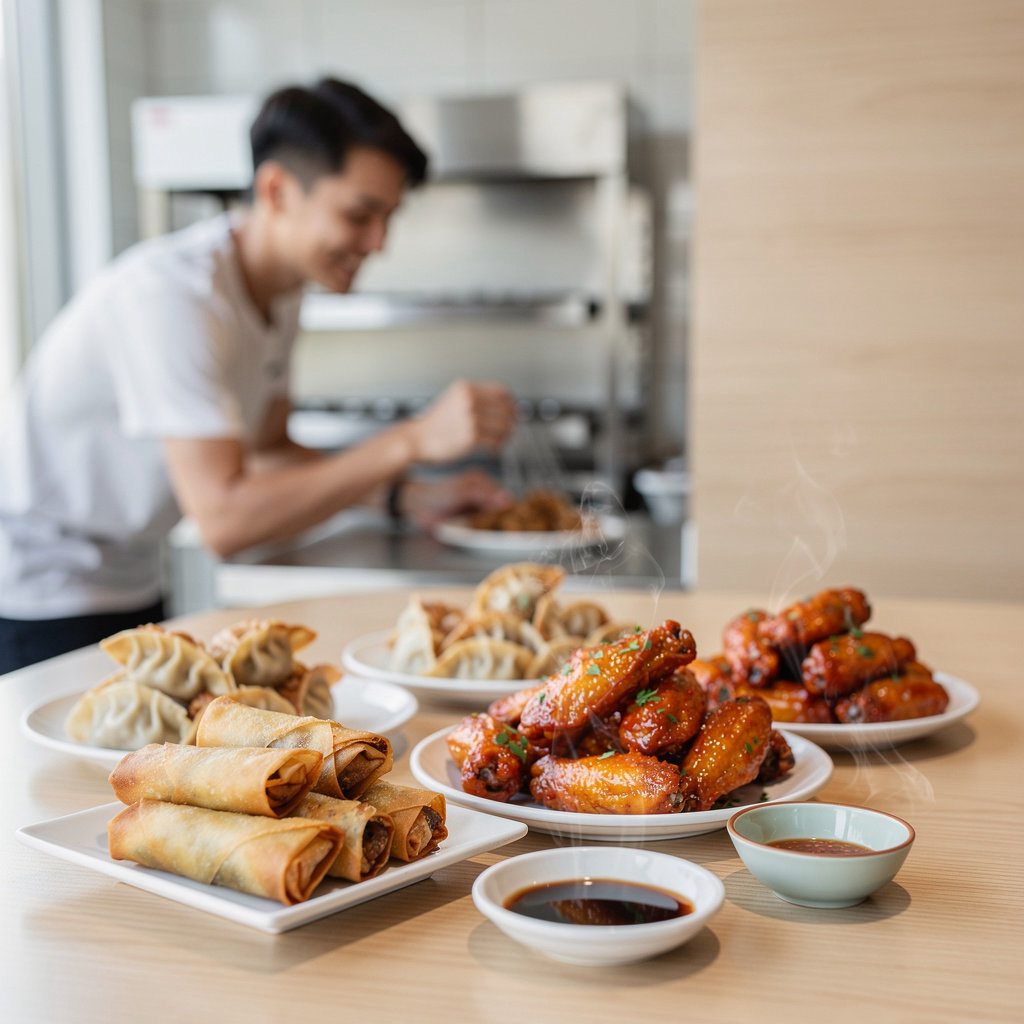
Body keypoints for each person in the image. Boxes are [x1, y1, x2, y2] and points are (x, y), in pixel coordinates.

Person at [0, 78, 517, 674]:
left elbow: (267, 451)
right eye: (360, 214)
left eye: (388, 218)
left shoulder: (283, 292)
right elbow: (224, 518)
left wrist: (407, 497)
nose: (379, 243)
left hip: (128, 574)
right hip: (38, 591)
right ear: (276, 191)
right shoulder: (176, 296)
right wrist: (410, 441)